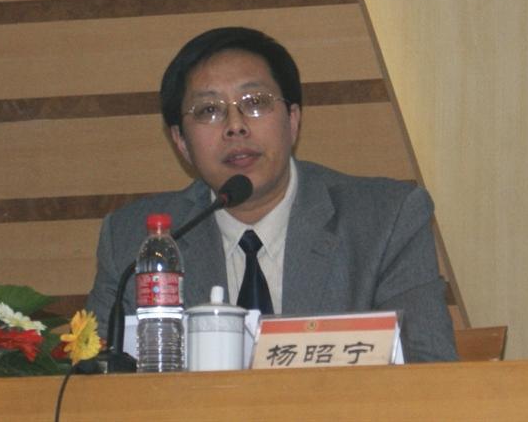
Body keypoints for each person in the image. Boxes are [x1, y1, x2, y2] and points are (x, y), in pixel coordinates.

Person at [86, 27, 458, 362]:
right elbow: (93, 381)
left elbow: (428, 366)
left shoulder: (385, 219)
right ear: (181, 142)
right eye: (209, 110)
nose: (235, 126)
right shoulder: (135, 241)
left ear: (293, 120)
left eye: (255, 102)